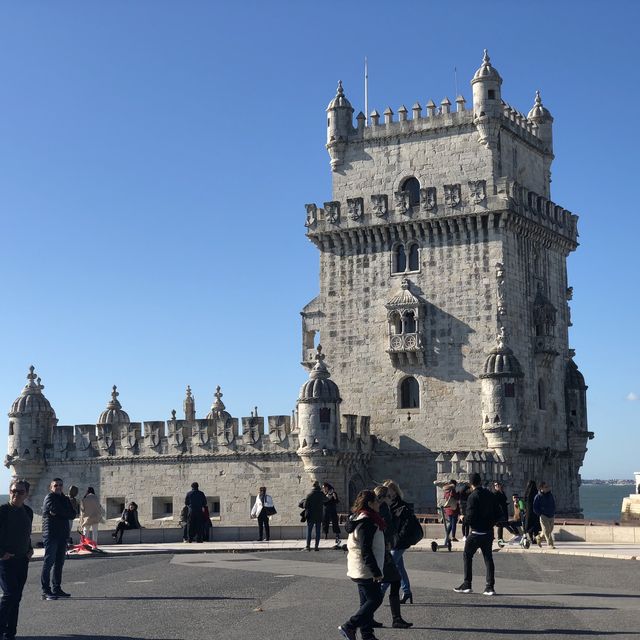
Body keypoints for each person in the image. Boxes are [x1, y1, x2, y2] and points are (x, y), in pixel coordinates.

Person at [338, 490, 385, 640]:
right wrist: (376, 571)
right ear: (370, 504)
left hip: (358, 567)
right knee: (375, 599)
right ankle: (349, 625)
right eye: (376, 501)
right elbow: (366, 550)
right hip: (366, 569)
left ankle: (367, 635)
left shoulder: (358, 517)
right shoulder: (367, 522)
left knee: (365, 602)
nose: (379, 503)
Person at [454, 472, 500, 596]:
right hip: (488, 532)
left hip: (476, 533)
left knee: (467, 556)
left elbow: (470, 517)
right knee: (488, 558)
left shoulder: (472, 497)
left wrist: (463, 518)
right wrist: (491, 523)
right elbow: (498, 513)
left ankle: (467, 584)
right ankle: (490, 587)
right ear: (480, 481)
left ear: (470, 484)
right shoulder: (490, 495)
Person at [373, 485, 412, 629]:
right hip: (385, 549)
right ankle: (363, 617)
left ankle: (396, 617)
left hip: (386, 548)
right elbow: (388, 529)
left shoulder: (381, 507)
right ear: (383, 497)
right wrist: (395, 518)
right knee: (386, 582)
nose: (392, 498)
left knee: (396, 577)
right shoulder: (383, 508)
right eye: (389, 496)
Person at [0, 479, 34, 640]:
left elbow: (26, 533)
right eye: (13, 490)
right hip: (5, 561)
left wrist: (30, 549)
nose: (15, 494)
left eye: (20, 492)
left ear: (26, 494)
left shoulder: (28, 511)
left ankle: (10, 632)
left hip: (22, 560)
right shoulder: (3, 511)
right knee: (10, 595)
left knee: (16, 597)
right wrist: (1, 554)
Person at [41, 477, 76, 600]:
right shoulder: (49, 498)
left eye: (60, 485)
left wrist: (60, 513)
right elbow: (56, 510)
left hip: (62, 535)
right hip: (51, 534)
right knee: (49, 562)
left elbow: (72, 514)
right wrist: (63, 513)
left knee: (59, 563)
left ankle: (57, 588)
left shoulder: (65, 499)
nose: (58, 487)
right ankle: (45, 591)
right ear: (51, 487)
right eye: (56, 485)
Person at [383, 479, 414, 604]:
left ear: (395, 492)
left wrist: (398, 538)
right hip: (393, 541)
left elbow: (406, 525)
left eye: (388, 493)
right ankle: (407, 592)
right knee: (399, 567)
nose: (387, 496)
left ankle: (380, 592)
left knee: (389, 567)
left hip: (399, 542)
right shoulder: (388, 505)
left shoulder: (402, 506)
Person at [300, 481, 324, 551]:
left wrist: (304, 501)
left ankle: (308, 546)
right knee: (318, 532)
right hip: (319, 516)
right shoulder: (321, 494)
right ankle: (316, 546)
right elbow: (326, 500)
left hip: (310, 516)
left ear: (313, 486)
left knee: (309, 531)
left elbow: (305, 505)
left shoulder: (309, 495)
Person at [434, 478, 460, 543]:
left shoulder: (446, 491)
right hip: (453, 508)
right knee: (453, 523)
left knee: (451, 523)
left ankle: (447, 535)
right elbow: (456, 497)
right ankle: (452, 536)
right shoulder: (452, 491)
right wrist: (458, 494)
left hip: (448, 509)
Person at [533, 482, 556, 548]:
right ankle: (550, 544)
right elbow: (535, 507)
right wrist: (540, 514)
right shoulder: (538, 496)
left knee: (549, 530)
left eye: (548, 486)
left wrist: (553, 511)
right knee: (547, 531)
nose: (547, 488)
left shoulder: (550, 495)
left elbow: (553, 504)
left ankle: (539, 537)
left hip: (551, 515)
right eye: (546, 487)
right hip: (544, 516)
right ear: (541, 488)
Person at [523, 480, 541, 544]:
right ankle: (536, 539)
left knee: (530, 526)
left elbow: (524, 501)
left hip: (528, 512)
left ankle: (531, 538)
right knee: (535, 526)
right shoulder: (536, 492)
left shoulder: (526, 493)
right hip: (535, 512)